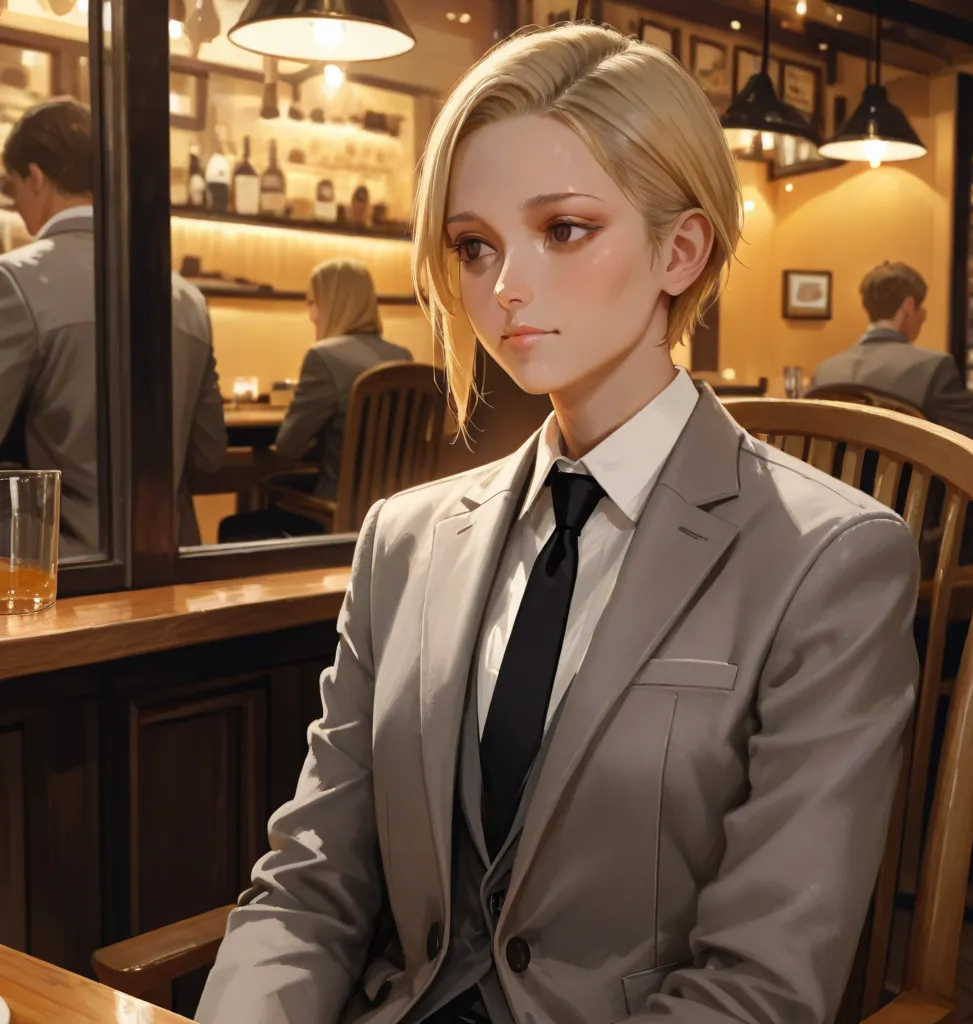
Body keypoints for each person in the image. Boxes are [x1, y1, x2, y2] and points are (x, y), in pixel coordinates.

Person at [196, 23, 919, 1024]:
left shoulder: (830, 558)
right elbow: (310, 883)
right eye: (473, 244)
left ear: (681, 246)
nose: (504, 288)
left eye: (564, 229)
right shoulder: (403, 539)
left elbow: (759, 986)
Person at [0, 97, 226, 553]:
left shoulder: (15, 279)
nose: (18, 205)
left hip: (53, 575)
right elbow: (208, 458)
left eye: (15, 188)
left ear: (37, 177)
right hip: (167, 567)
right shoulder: (189, 298)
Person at [217, 258, 411, 543]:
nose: (311, 314)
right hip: (392, 515)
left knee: (239, 520)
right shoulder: (402, 357)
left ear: (331, 304)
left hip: (334, 514)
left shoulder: (323, 357)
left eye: (312, 302)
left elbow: (287, 447)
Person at [811, 261, 973, 446]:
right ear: (909, 305)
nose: (922, 317)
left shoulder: (825, 372)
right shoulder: (935, 367)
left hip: (829, 475)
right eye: (921, 309)